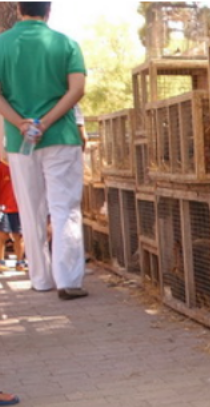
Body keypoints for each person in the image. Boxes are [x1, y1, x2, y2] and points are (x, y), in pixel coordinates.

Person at [0, 2, 88, 300]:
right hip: (61, 136)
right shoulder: (66, 44)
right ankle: (69, 280)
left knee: (30, 209)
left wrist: (21, 124)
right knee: (65, 208)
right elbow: (77, 89)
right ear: (48, 11)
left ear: (19, 10)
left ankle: (39, 279)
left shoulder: (2, 44)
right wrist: (48, 120)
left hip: (20, 141)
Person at [0, 142, 24, 271]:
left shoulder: (22, 166)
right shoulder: (1, 166)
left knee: (19, 236)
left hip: (19, 207)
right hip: (4, 207)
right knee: (2, 235)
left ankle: (20, 262)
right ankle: (1, 261)